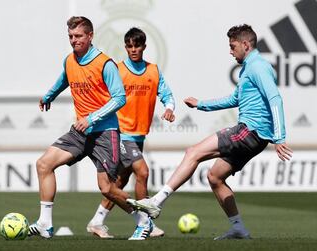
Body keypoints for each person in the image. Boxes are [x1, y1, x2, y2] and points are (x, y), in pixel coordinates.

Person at [127, 24, 293, 240]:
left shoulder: (257, 67)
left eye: (233, 46)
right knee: (215, 177)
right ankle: (238, 228)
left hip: (250, 131)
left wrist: (279, 137)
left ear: (245, 44)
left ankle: (156, 202)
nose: (230, 51)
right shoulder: (250, 67)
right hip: (254, 135)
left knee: (193, 152)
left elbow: (275, 98)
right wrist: (201, 104)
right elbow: (235, 99)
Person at [28, 16, 153, 241]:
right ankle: (45, 224)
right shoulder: (70, 60)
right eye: (70, 37)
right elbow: (65, 79)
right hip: (81, 133)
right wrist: (49, 95)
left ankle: (144, 222)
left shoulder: (105, 63)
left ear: (90, 36)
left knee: (107, 189)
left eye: (78, 36)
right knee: (44, 164)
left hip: (106, 132)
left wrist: (92, 118)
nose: (74, 40)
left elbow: (119, 98)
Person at [86, 27, 176, 239]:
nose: (133, 49)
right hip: (121, 132)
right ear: (125, 47)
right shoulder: (117, 70)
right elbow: (103, 96)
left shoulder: (153, 70)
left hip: (139, 135)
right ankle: (146, 224)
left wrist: (170, 108)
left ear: (144, 46)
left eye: (137, 45)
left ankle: (97, 221)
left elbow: (166, 93)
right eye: (129, 46)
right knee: (143, 172)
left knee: (118, 183)